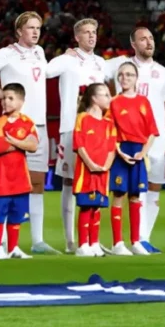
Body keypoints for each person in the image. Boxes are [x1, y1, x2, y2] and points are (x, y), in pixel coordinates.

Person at [0, 12, 58, 254]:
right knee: (9, 185)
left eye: (38, 28)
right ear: (19, 31)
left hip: (38, 124)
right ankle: (4, 242)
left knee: (36, 183)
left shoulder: (39, 53)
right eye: (30, 28)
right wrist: (1, 96)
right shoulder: (6, 54)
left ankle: (37, 241)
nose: (36, 32)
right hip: (13, 124)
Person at [104, 27, 165, 254]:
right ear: (133, 44)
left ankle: (143, 237)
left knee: (154, 186)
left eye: (151, 38)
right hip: (128, 138)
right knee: (129, 189)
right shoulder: (119, 66)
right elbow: (94, 69)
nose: (149, 42)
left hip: (157, 137)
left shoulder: (163, 72)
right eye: (143, 39)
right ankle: (132, 239)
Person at [46, 18, 107, 253]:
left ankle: (91, 237)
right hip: (71, 128)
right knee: (70, 182)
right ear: (77, 37)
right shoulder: (66, 60)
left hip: (98, 130)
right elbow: (47, 71)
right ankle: (71, 239)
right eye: (86, 32)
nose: (91, 36)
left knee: (96, 179)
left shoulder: (101, 63)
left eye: (94, 32)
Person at [107, 61, 158, 256]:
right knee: (119, 194)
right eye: (122, 75)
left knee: (136, 196)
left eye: (129, 74)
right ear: (118, 78)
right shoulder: (113, 102)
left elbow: (152, 131)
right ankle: (117, 243)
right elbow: (110, 132)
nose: (125, 78)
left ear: (136, 78)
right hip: (120, 150)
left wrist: (143, 153)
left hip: (138, 151)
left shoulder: (144, 102)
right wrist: (119, 151)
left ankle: (136, 241)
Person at [0, 83, 38, 260]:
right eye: (3, 98)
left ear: (21, 101)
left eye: (10, 98)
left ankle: (13, 248)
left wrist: (14, 141)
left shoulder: (27, 122)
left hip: (20, 177)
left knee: (17, 215)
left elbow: (33, 146)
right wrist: (21, 142)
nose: (5, 102)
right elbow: (0, 147)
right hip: (0, 177)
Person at [72, 83, 115, 258]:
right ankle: (82, 245)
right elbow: (79, 144)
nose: (109, 98)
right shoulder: (82, 118)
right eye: (105, 95)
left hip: (103, 172)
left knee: (97, 208)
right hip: (86, 171)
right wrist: (90, 165)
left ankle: (94, 242)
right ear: (94, 99)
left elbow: (112, 149)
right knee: (86, 207)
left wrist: (106, 166)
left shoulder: (109, 123)